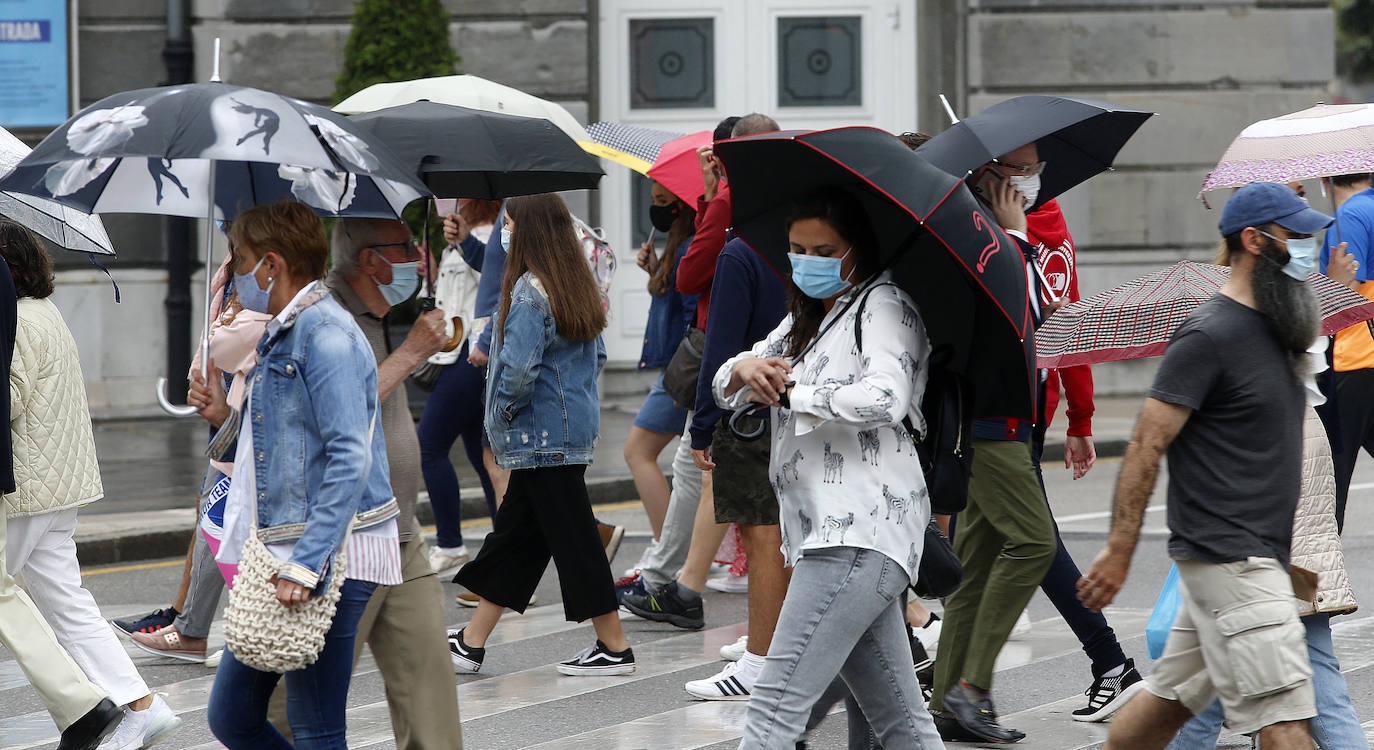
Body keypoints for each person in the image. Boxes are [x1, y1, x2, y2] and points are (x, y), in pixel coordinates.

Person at [1079, 181, 1327, 750]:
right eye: (1298, 237)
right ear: (1255, 241)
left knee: (1167, 707)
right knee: (1286, 719)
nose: (1308, 248)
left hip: (1244, 558)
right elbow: (1145, 443)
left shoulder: (1278, 330)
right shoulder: (1208, 335)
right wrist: (1118, 551)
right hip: (1233, 561)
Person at [714, 186, 943, 749]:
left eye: (824, 251)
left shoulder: (885, 306)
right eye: (798, 250)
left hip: (860, 534)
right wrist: (748, 368)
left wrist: (795, 393)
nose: (808, 262)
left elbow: (886, 397)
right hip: (828, 533)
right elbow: (724, 382)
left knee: (772, 711)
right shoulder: (811, 320)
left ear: (857, 250)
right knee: (902, 723)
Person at [259, 217, 464, 750]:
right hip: (346, 540)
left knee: (431, 697)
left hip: (401, 531)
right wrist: (413, 351)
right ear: (370, 261)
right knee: (296, 708)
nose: (418, 257)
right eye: (405, 248)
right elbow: (343, 405)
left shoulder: (388, 313)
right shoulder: (326, 320)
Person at [205, 201, 404, 750]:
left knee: (317, 726)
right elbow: (285, 438)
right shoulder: (286, 328)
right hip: (285, 546)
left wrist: (308, 562)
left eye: (239, 260)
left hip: (329, 551)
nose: (235, 272)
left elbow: (349, 456)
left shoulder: (327, 334)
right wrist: (222, 416)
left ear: (271, 265)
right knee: (232, 716)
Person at [1168, 244, 1365, 750]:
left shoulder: (1245, 373)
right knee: (1306, 670)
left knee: (1209, 688)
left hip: (1256, 560)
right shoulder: (1294, 383)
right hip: (1287, 557)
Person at [0, 222, 180, 750]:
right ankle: (141, 704)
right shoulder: (45, 313)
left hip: (28, 488)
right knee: (67, 607)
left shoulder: (19, 323)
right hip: (57, 487)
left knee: (22, 603)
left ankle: (95, 708)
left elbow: (7, 399)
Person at [447, 193, 634, 676]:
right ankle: (471, 642)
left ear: (529, 231)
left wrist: (501, 416)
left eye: (509, 224)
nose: (504, 234)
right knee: (518, 540)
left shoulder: (530, 290)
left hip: (538, 436)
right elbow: (596, 361)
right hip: (565, 434)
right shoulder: (576, 284)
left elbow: (517, 370)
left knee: (575, 542)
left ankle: (614, 647)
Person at [927, 141, 1060, 743]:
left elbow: (1048, 324)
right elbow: (1026, 309)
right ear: (993, 177)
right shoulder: (983, 242)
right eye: (1023, 170)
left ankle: (945, 701)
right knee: (1033, 544)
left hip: (1005, 419)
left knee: (977, 565)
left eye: (1035, 169)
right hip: (988, 423)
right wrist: (1018, 238)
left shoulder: (996, 237)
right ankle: (971, 687)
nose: (1032, 181)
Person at [621, 113, 781, 608]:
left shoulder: (731, 205)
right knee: (699, 472)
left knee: (705, 471)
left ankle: (675, 583)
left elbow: (693, 280)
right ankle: (671, 579)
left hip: (730, 357)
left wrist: (712, 199)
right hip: (749, 357)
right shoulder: (760, 202)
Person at [131, 247, 271, 667]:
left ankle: (221, 629)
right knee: (215, 518)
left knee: (229, 522)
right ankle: (195, 625)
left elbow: (219, 346)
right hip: (228, 407)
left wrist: (231, 314)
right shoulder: (231, 265)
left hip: (247, 412)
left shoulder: (260, 272)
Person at [675, 235, 786, 699]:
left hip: (751, 414)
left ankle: (760, 662)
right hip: (805, 414)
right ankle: (775, 648)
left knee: (762, 538)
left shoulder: (743, 251)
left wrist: (703, 425)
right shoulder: (835, 242)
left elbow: (721, 345)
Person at [420, 199, 500, 576]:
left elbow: (496, 275)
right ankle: (506, 551)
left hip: (472, 356)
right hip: (456, 356)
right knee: (484, 459)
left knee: (430, 443)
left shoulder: (488, 238)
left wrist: (467, 242)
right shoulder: (455, 242)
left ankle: (451, 544)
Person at [623, 180, 697, 556]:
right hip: (677, 367)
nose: (656, 209)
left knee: (638, 451)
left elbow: (692, 319)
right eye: (652, 201)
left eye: (663, 201)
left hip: (679, 369)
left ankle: (667, 549)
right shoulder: (680, 247)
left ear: (682, 205)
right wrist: (654, 270)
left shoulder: (687, 249)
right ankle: (674, 549)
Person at [1317, 171, 1374, 529]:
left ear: (1326, 178)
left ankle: (1320, 565)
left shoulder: (1350, 217)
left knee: (1328, 480)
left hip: (1349, 359)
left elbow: (1345, 292)